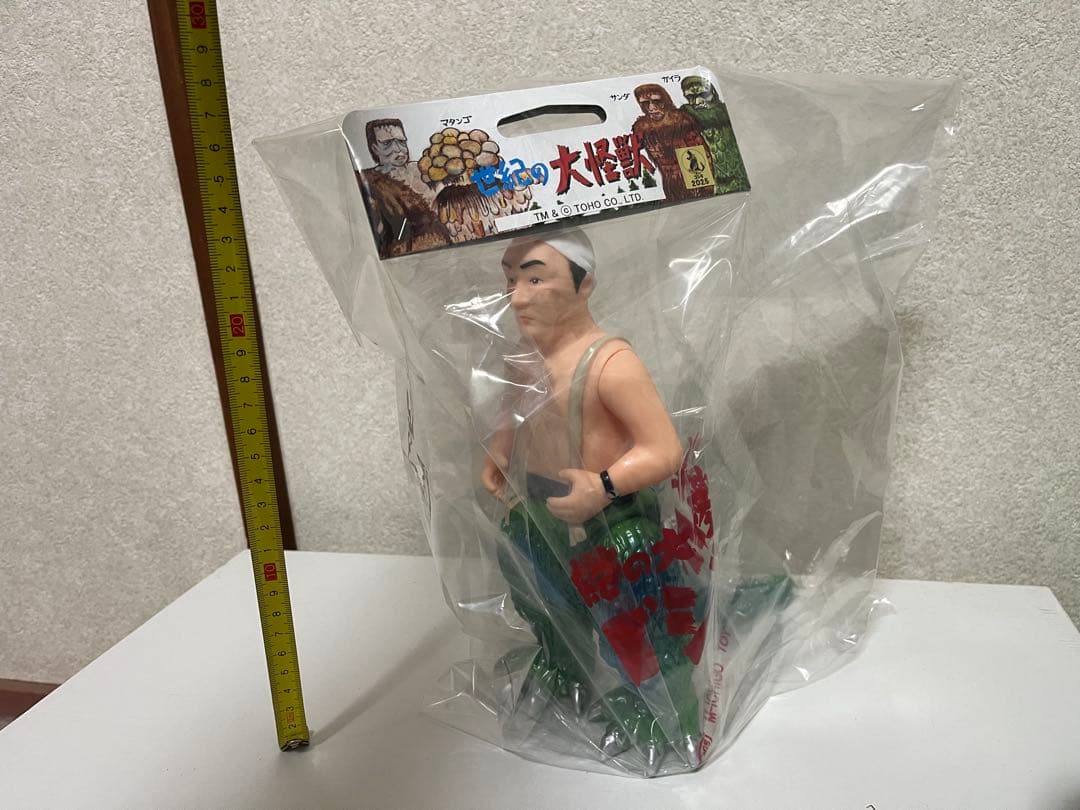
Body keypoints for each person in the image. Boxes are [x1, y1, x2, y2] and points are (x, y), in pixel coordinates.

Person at [481, 230, 699, 773]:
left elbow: (664, 449)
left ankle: (668, 707)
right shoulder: (525, 361)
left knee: (631, 589)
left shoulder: (611, 363)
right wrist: (500, 453)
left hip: (611, 514)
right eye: (511, 281)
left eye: (536, 279)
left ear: (584, 286)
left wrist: (602, 486)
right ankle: (564, 663)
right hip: (542, 505)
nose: (517, 297)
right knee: (533, 574)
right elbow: (515, 412)